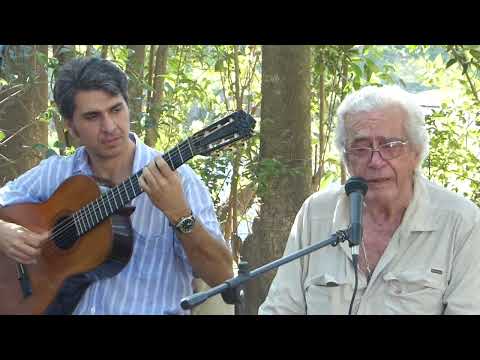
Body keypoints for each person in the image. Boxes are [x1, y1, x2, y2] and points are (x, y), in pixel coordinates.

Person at [0, 56, 233, 315]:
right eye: (92, 117)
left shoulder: (179, 180)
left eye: (116, 109)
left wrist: (180, 215)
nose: (110, 127)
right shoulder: (57, 172)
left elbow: (222, 275)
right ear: (71, 126)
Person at [259, 85, 480, 315]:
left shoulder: (462, 222)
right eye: (361, 148)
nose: (375, 161)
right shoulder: (316, 213)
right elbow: (280, 308)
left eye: (391, 146)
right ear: (346, 158)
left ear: (416, 153)